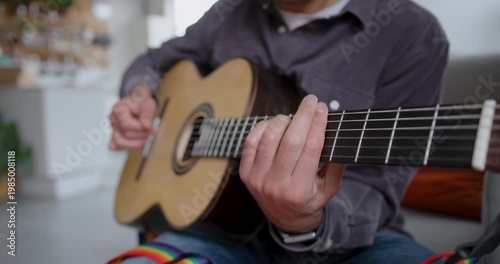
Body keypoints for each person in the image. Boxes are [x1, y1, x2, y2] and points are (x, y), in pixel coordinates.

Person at [108, 0, 449, 263]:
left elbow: (379, 187)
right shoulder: (230, 11)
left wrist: (305, 220)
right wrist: (139, 95)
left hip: (347, 242)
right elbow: (151, 64)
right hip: (216, 231)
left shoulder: (411, 31)